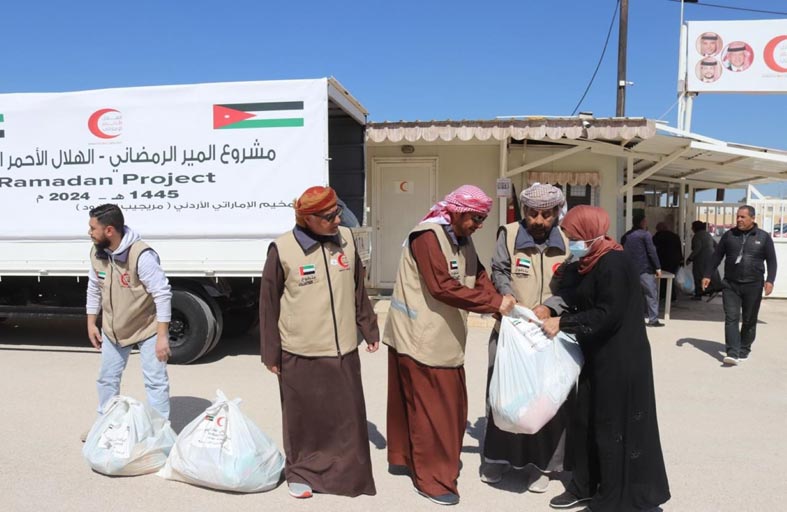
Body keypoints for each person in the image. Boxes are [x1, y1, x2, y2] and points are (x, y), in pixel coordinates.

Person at [383, 185, 516, 506]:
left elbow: (478, 274)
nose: (478, 225)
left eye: (482, 219)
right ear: (455, 211)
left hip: (443, 337)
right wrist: (493, 303)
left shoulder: (461, 238)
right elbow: (441, 286)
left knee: (440, 408)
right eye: (475, 218)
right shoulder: (427, 237)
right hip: (419, 336)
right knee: (434, 414)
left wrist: (500, 301)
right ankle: (432, 479)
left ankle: (406, 459)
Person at [541, 205, 671, 512]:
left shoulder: (614, 263)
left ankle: (612, 498)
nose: (571, 242)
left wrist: (563, 322)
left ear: (589, 233)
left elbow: (607, 314)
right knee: (586, 421)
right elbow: (578, 294)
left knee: (612, 428)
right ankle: (584, 485)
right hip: (596, 355)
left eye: (574, 236)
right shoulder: (589, 261)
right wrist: (550, 308)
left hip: (620, 360)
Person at [259, 185, 378, 499]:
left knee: (347, 419)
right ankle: (300, 473)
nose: (337, 220)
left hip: (344, 350)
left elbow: (358, 289)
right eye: (328, 217)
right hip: (301, 352)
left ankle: (346, 475)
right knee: (304, 419)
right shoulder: (283, 249)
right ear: (307, 218)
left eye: (337, 212)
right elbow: (268, 305)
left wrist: (369, 327)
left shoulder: (346, 240)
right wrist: (271, 353)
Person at [480, 183, 572, 492]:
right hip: (510, 332)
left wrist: (551, 306)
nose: (539, 221)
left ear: (557, 212)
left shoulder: (568, 240)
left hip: (549, 334)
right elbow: (499, 270)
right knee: (503, 397)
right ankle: (497, 458)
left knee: (546, 401)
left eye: (546, 215)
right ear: (524, 211)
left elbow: (573, 284)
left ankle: (542, 465)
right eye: (532, 214)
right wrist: (509, 297)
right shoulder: (508, 234)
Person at [85, 203, 172, 435]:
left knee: (155, 382)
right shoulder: (97, 253)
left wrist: (162, 336)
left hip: (147, 329)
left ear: (109, 231)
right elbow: (93, 288)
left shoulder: (141, 255)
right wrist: (91, 323)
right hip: (113, 329)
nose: (89, 232)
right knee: (107, 379)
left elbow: (162, 294)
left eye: (93, 228)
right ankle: (104, 427)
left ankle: (159, 434)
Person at [702, 205, 777, 366]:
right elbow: (717, 256)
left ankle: (744, 348)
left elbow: (772, 260)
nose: (739, 220)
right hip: (731, 284)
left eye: (743, 217)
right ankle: (732, 352)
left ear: (752, 218)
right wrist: (707, 274)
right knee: (731, 317)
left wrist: (770, 280)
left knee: (749, 319)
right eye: (737, 216)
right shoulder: (729, 235)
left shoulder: (763, 237)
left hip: (753, 285)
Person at [622, 214, 664, 327]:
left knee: (633, 295)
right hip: (644, 269)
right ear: (642, 222)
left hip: (630, 270)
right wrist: (658, 267)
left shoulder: (625, 236)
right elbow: (651, 252)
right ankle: (653, 320)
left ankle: (632, 318)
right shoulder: (645, 235)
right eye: (645, 221)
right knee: (651, 294)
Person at [687, 221, 720, 300]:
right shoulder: (707, 234)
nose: (691, 228)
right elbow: (716, 245)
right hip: (711, 258)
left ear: (695, 227)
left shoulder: (697, 236)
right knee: (710, 274)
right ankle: (713, 289)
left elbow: (697, 248)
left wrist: (690, 258)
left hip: (700, 259)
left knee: (698, 276)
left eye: (692, 227)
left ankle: (698, 294)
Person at [652, 221, 682, 302]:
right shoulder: (675, 236)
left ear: (659, 229)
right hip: (675, 260)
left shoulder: (658, 236)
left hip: (664, 260)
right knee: (671, 278)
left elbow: (653, 247)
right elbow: (679, 248)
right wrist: (681, 259)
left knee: (662, 279)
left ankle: (662, 295)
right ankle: (672, 296)